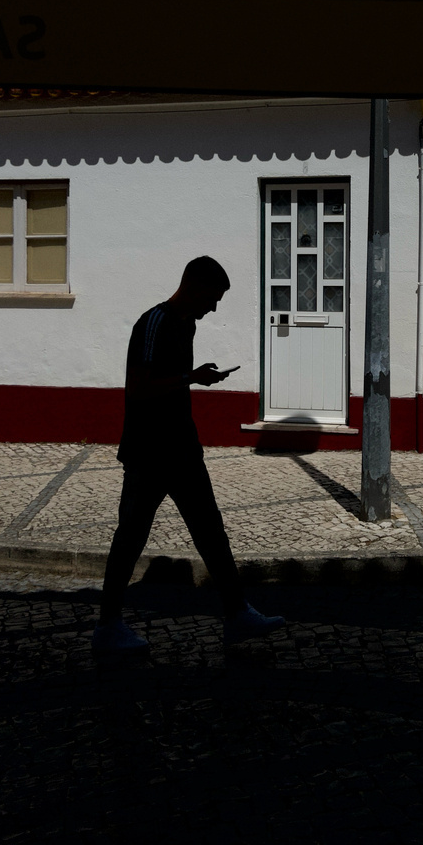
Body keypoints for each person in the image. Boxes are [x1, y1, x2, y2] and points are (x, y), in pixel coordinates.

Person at [92, 256, 286, 652]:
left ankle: (237, 613)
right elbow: (138, 388)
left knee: (211, 532)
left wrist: (197, 376)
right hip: (148, 453)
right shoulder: (154, 323)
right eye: (212, 299)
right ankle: (107, 626)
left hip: (181, 448)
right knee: (130, 537)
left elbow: (173, 382)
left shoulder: (187, 324)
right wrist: (190, 377)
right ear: (194, 287)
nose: (213, 308)